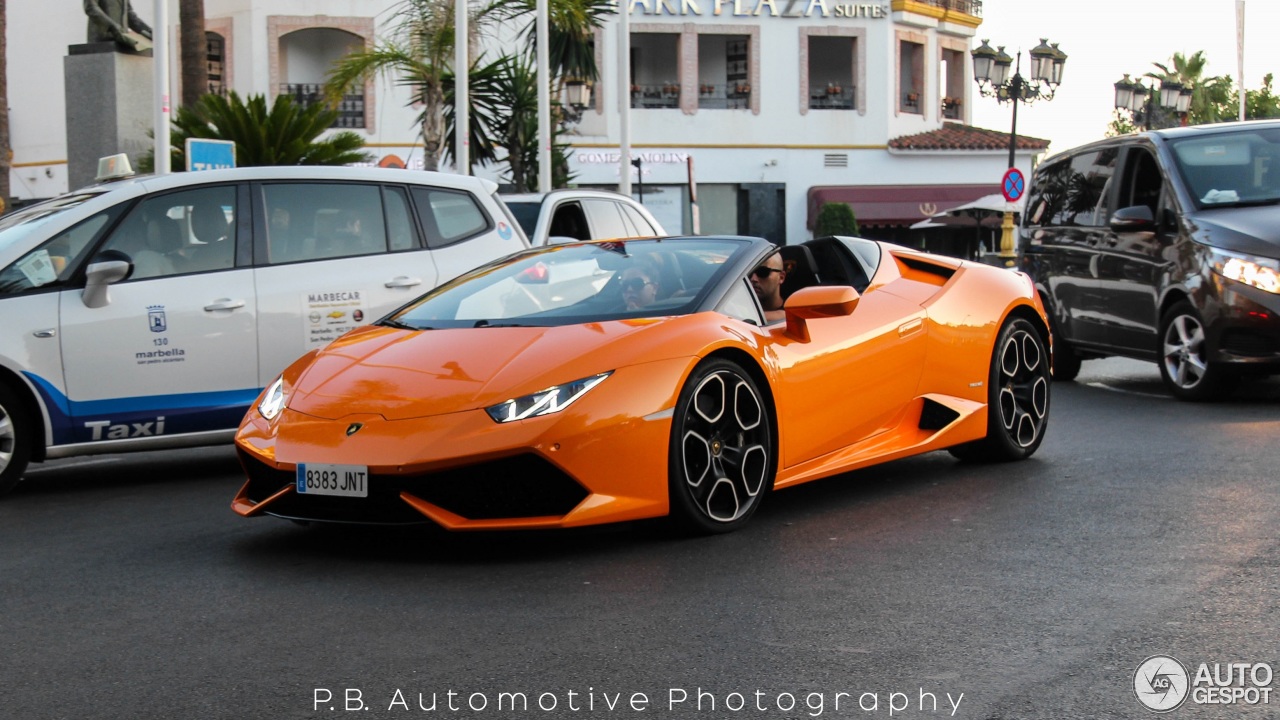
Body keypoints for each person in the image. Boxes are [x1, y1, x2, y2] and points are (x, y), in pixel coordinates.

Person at [84, 0, 153, 52]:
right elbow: (91, 8)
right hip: (102, 43)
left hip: (123, 41)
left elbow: (129, 15)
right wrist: (112, 26)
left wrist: (149, 31)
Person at [750, 250, 787, 323]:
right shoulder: (736, 305)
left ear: (781, 277)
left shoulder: (792, 312)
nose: (753, 279)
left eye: (763, 272)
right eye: (750, 272)